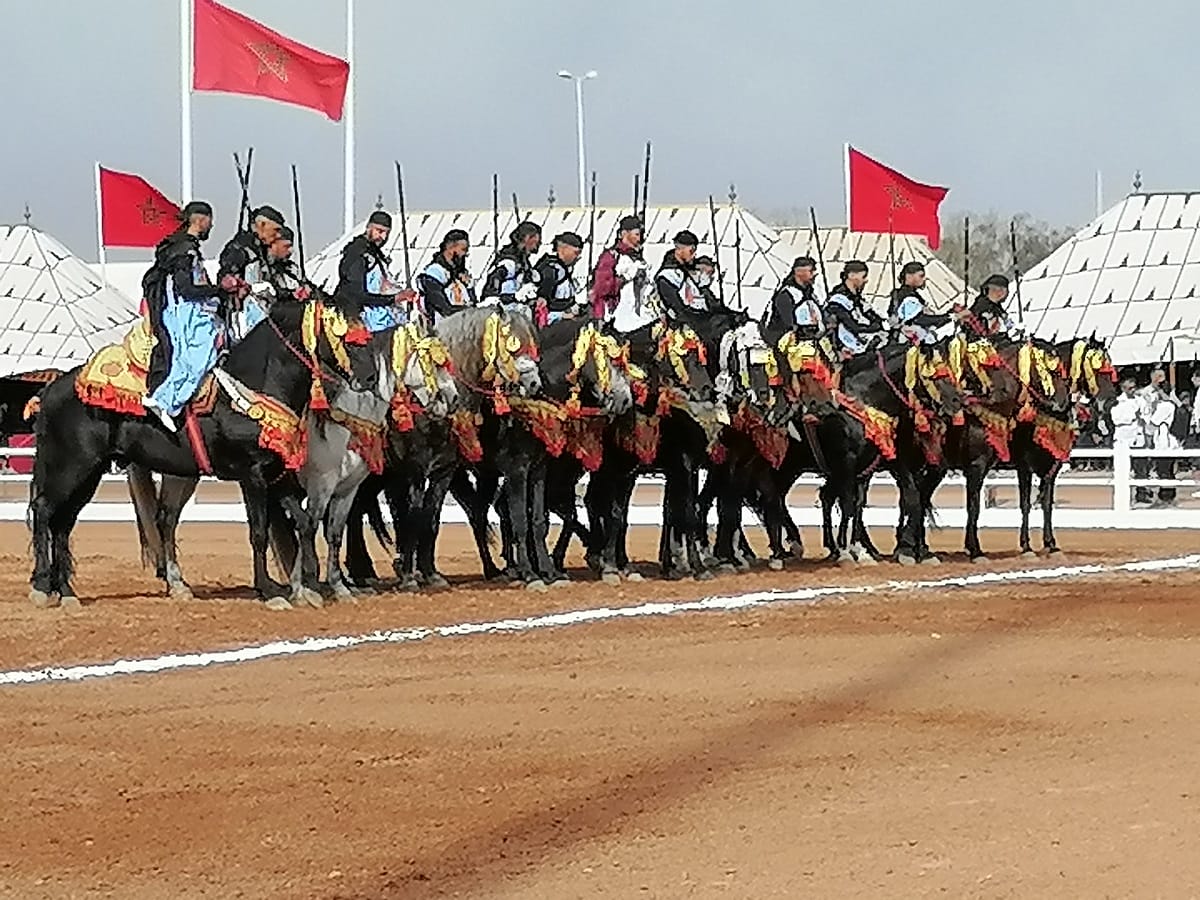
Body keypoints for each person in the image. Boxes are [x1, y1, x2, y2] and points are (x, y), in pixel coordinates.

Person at [141, 201, 225, 433]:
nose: (212, 225)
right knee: (198, 355)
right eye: (209, 220)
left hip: (191, 310)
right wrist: (219, 290)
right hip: (186, 313)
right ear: (199, 220)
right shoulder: (183, 251)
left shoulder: (186, 248)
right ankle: (166, 401)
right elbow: (186, 289)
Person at [337, 210, 411, 332]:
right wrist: (394, 298)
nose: (383, 237)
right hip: (360, 320)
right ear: (368, 228)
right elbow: (357, 294)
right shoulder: (357, 253)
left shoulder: (376, 254)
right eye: (380, 231)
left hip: (384, 318)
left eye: (387, 233)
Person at [656, 230, 717, 328]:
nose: (694, 255)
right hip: (682, 328)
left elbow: (708, 298)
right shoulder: (668, 276)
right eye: (691, 251)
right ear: (679, 249)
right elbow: (679, 310)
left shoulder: (690, 270)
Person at [590, 215, 646, 322]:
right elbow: (602, 288)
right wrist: (624, 278)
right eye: (636, 234)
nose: (639, 239)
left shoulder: (637, 259)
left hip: (632, 317)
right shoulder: (611, 257)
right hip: (610, 316)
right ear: (624, 234)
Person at [825, 261, 885, 356]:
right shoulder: (838, 300)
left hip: (866, 342)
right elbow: (853, 326)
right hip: (850, 349)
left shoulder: (857, 298)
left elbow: (873, 316)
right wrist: (876, 327)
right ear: (851, 275)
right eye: (863, 276)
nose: (866, 280)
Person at [481, 221, 542, 312]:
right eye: (536, 241)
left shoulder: (524, 261)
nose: (539, 244)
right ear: (527, 238)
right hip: (505, 314)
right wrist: (514, 297)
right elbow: (491, 291)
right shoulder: (508, 262)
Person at [417, 228, 474, 325]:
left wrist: (469, 286)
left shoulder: (461, 274)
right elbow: (444, 308)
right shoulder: (434, 273)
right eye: (463, 250)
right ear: (451, 249)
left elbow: (472, 301)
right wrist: (470, 311)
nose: (465, 254)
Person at [1141, 368, 1180, 506]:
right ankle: (1166, 497)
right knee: (1166, 470)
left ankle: (1166, 498)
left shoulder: (1166, 406)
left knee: (1164, 471)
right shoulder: (1170, 404)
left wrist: (1148, 439)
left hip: (1164, 442)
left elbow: (1152, 423)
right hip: (1167, 442)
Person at [764, 256, 823, 342]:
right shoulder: (786, 294)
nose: (814, 274)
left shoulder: (810, 294)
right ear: (798, 272)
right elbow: (789, 323)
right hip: (783, 341)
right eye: (811, 271)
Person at [891, 261, 952, 344]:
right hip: (910, 338)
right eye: (921, 276)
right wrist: (947, 318)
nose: (923, 279)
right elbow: (918, 319)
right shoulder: (907, 296)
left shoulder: (905, 294)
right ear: (909, 276)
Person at [533, 232, 585, 325]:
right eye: (576, 253)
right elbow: (541, 311)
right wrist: (562, 315)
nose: (578, 257)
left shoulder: (565, 269)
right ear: (563, 250)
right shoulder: (551, 270)